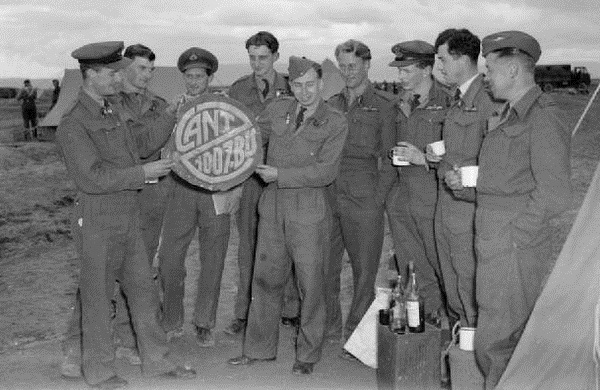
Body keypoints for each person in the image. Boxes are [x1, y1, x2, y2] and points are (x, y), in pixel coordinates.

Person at [56, 41, 195, 388]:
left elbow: (142, 143)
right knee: (99, 297)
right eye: (112, 73)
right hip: (98, 216)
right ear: (90, 75)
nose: (119, 78)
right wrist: (144, 173)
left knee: (142, 291)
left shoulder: (110, 111)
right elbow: (92, 177)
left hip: (127, 213)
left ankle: (157, 361)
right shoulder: (73, 124)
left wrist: (169, 117)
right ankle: (100, 371)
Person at [451, 31, 571, 388]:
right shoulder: (508, 116)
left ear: (515, 70)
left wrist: (517, 237)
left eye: (490, 68)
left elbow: (556, 194)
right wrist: (468, 189)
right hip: (495, 241)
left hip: (512, 248)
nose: (485, 75)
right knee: (500, 338)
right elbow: (505, 186)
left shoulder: (542, 118)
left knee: (498, 343)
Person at [228, 56, 348, 375]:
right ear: (289, 85)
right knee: (265, 279)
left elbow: (326, 171)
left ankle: (307, 355)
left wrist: (280, 173)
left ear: (321, 84)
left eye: (310, 84)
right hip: (272, 208)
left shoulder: (335, 120)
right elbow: (248, 136)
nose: (304, 92)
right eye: (297, 85)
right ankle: (258, 349)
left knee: (311, 285)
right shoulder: (277, 110)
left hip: (309, 210)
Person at [157, 47, 241, 347]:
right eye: (189, 76)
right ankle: (172, 319)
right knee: (169, 259)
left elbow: (238, 151)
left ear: (210, 77)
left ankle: (205, 322)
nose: (193, 81)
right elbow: (163, 148)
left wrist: (232, 187)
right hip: (180, 190)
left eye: (199, 76)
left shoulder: (226, 107)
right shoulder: (172, 109)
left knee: (214, 259)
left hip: (215, 192)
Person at [325, 40, 396, 358]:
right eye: (342, 65)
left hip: (364, 196)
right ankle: (329, 327)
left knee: (364, 271)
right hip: (330, 194)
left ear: (367, 65)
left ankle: (356, 338)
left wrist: (377, 200)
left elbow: (391, 158)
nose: (347, 72)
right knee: (325, 266)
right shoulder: (332, 103)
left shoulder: (384, 105)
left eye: (353, 65)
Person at [225, 31, 299, 335]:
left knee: (289, 242)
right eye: (252, 57)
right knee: (249, 247)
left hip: (283, 176)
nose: (257, 63)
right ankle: (244, 311)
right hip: (250, 177)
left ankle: (291, 308)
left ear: (276, 57)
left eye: (263, 58)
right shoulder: (239, 89)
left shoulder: (293, 87)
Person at [431, 28, 498, 328]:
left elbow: (496, 164)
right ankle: (461, 353)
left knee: (471, 289)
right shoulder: (457, 100)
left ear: (462, 59)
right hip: (447, 208)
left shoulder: (487, 101)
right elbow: (455, 154)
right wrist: (439, 161)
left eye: (443, 59)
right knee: (454, 288)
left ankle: (474, 363)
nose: (440, 67)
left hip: (469, 211)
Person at [385, 40, 450, 327]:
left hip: (433, 198)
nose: (401, 77)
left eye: (407, 70)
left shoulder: (448, 103)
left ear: (426, 69)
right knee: (413, 269)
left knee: (443, 268)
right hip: (402, 201)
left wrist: (423, 157)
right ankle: (424, 327)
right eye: (399, 71)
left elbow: (460, 151)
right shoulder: (399, 104)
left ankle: (452, 329)